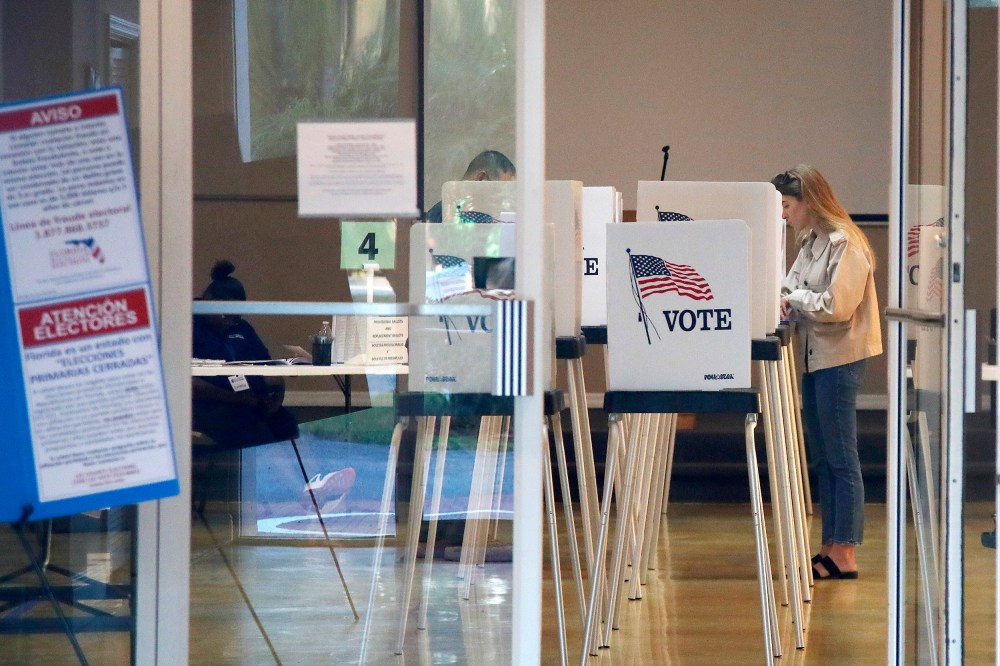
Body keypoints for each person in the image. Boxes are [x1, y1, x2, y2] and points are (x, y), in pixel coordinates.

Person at [772, 165, 882, 580]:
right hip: (816, 356)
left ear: (808, 202)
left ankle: (845, 552)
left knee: (841, 457)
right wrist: (791, 297)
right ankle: (830, 547)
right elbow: (789, 287)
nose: (784, 214)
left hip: (841, 358)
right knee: (823, 455)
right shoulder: (812, 241)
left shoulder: (847, 244)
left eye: (787, 205)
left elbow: (836, 306)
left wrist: (794, 298)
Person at [192, 260, 355, 510]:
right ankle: (303, 494)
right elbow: (191, 384)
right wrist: (240, 400)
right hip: (212, 407)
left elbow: (268, 365)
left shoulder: (242, 328)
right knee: (261, 434)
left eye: (237, 315)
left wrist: (277, 394)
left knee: (286, 422)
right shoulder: (190, 328)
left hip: (252, 402)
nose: (231, 320)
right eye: (226, 313)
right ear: (209, 302)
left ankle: (315, 484)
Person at [425, 149, 516, 223]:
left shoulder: (449, 210)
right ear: (481, 179)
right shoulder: (448, 214)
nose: (502, 201)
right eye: (500, 192)